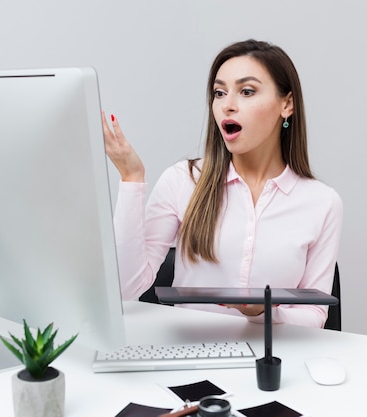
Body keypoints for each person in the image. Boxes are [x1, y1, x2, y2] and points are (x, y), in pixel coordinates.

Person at [102, 39, 343, 328]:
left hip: (272, 358)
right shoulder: (183, 181)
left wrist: (262, 311)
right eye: (219, 92)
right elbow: (126, 290)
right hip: (191, 357)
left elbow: (315, 317)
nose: (227, 105)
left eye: (246, 91)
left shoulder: (322, 202)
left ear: (286, 105)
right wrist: (131, 179)